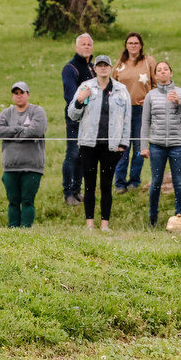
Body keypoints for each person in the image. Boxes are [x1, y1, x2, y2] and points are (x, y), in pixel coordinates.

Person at [68, 54, 131, 231]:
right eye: (99, 65)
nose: (103, 68)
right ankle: (89, 224)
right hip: (88, 144)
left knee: (106, 185)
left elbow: (127, 119)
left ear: (110, 68)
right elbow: (72, 115)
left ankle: (105, 225)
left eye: (106, 65)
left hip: (111, 146)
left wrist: (123, 144)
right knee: (89, 185)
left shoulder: (121, 90)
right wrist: (80, 100)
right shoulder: (85, 87)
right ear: (94, 68)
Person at [140, 61, 181, 227]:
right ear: (155, 75)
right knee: (156, 182)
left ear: (171, 73)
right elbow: (145, 122)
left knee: (178, 182)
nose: (163, 72)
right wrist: (143, 146)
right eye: (159, 70)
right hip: (157, 146)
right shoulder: (151, 95)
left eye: (166, 69)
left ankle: (180, 217)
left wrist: (180, 103)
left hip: (178, 145)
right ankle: (153, 219)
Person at [0, 82, 48, 228]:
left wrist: (12, 133)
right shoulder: (6, 113)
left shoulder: (37, 111)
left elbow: (36, 130)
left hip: (32, 166)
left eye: (22, 93)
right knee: (13, 201)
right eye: (15, 93)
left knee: (27, 201)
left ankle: (25, 230)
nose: (19, 96)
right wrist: (19, 129)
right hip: (10, 166)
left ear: (28, 95)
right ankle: (13, 230)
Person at [111, 32, 156, 194]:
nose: (133, 46)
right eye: (130, 43)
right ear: (126, 45)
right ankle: (120, 183)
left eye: (136, 43)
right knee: (122, 146)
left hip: (140, 110)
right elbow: (111, 86)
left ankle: (134, 181)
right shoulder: (120, 64)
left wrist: (150, 98)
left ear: (141, 45)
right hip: (122, 111)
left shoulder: (148, 62)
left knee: (139, 146)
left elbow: (156, 83)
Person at [62, 33, 95, 206]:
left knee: (83, 155)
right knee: (73, 154)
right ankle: (68, 192)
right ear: (76, 47)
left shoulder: (93, 68)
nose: (87, 47)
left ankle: (77, 190)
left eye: (89, 44)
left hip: (90, 118)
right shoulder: (71, 68)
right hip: (75, 117)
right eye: (83, 44)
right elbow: (70, 95)